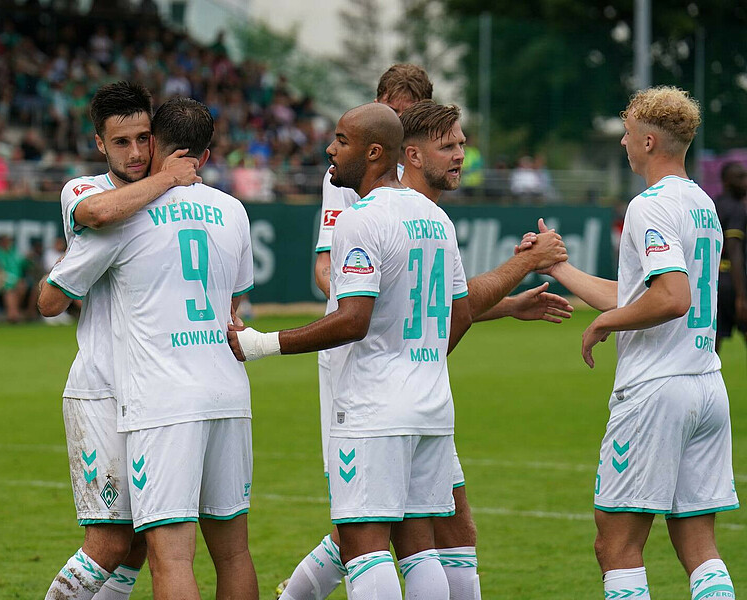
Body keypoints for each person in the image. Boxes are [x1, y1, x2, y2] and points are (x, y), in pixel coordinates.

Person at [230, 102, 472, 600]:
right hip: (431, 403)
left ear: (375, 152)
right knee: (419, 546)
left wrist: (260, 344)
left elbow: (352, 319)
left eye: (341, 140)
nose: (330, 149)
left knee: (364, 545)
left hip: (373, 405)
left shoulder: (360, 220)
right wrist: (417, 359)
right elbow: (461, 314)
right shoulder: (437, 219)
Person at [41, 97, 256, 600]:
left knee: (157, 550)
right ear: (99, 143)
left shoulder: (128, 221)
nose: (136, 151)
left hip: (157, 397)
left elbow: (49, 299)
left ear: (158, 140)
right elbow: (233, 301)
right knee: (124, 543)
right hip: (118, 389)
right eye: (122, 141)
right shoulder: (97, 195)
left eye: (144, 140)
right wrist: (166, 179)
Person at [542, 86, 738, 600]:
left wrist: (604, 326)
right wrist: (560, 269)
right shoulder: (702, 203)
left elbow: (671, 298)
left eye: (627, 136)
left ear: (649, 141)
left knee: (616, 545)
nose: (624, 146)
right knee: (699, 545)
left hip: (656, 391)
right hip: (705, 386)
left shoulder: (648, 206)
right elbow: (635, 295)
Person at [395, 100, 570, 600]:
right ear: (410, 153)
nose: (459, 155)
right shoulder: (405, 214)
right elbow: (444, 317)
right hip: (389, 397)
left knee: (451, 531)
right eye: (447, 146)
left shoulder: (431, 216)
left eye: (462, 145)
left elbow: (441, 307)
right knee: (377, 537)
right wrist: (526, 265)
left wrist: (510, 303)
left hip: (422, 395)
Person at [714, 161, 747, 356]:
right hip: (734, 284)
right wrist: (742, 296)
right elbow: (735, 251)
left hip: (714, 284)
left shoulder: (713, 206)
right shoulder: (736, 209)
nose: (745, 183)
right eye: (740, 178)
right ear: (726, 181)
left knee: (712, 348)